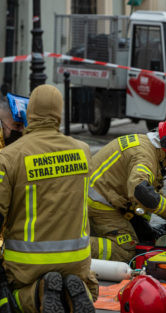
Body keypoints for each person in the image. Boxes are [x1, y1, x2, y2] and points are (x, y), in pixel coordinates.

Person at [0, 85, 98, 312]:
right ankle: (74, 292)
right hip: (77, 261)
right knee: (87, 285)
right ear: (59, 113)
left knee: (12, 295)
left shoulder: (10, 157)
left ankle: (38, 293)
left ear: (29, 112)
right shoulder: (83, 150)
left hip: (28, 263)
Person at [88, 113, 166, 263]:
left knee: (143, 230)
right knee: (126, 247)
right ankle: (75, 249)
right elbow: (140, 190)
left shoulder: (151, 149)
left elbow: (151, 191)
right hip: (97, 203)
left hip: (105, 198)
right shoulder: (145, 156)